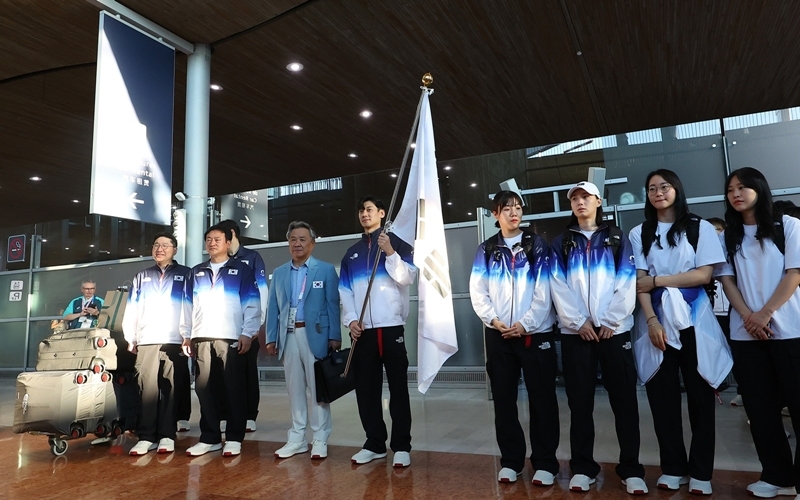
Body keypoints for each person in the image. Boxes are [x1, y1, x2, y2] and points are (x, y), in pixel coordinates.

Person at [629, 169, 731, 495]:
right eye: (652, 188)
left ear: (677, 190)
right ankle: (673, 467)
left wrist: (658, 281)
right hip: (657, 321)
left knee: (700, 397)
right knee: (662, 398)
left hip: (694, 319)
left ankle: (701, 472)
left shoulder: (699, 227)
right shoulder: (640, 232)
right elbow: (639, 283)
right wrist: (651, 321)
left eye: (665, 186)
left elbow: (703, 276)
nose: (658, 193)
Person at [549, 182, 647, 495]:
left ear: (598, 201)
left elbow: (627, 280)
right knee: (580, 403)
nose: (580, 202)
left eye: (586, 197)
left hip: (613, 332)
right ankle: (582, 468)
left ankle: (631, 469)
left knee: (625, 402)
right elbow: (557, 284)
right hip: (577, 334)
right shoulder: (562, 242)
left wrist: (611, 320)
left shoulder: (617, 237)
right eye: (575, 199)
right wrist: (578, 322)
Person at [716, 167, 800, 499]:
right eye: (730, 189)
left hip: (789, 330)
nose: (736, 194)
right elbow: (727, 280)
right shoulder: (728, 236)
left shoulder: (788, 225)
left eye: (743, 187)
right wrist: (748, 317)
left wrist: (765, 313)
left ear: (760, 189)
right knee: (760, 409)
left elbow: (794, 273)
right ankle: (777, 476)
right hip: (746, 334)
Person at [469, 189, 559, 486]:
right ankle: (511, 461)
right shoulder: (486, 249)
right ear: (495, 214)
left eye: (518, 207)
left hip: (534, 332)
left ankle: (545, 463)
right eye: (506, 208)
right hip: (498, 335)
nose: (514, 212)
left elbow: (545, 290)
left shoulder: (537, 245)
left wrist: (525, 324)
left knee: (542, 400)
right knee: (504, 400)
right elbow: (478, 291)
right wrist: (493, 320)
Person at [339, 196, 416, 468]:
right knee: (366, 390)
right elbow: (345, 291)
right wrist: (351, 320)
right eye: (361, 210)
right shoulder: (351, 253)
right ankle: (374, 443)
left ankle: (402, 446)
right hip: (364, 332)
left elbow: (407, 277)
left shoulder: (399, 244)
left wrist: (390, 252)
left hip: (391, 327)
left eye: (370, 209)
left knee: (398, 389)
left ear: (382, 213)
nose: (364, 214)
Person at [180, 224, 261, 457]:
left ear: (228, 243)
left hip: (230, 337)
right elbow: (187, 306)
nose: (212, 243)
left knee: (234, 388)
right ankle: (210, 438)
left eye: (217, 239)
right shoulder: (196, 272)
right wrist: (186, 334)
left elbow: (252, 303)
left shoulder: (242, 270)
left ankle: (234, 438)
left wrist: (248, 332)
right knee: (205, 389)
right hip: (202, 337)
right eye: (208, 239)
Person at [266, 221, 341, 460]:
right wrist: (270, 337)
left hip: (316, 335)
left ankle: (320, 438)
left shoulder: (325, 270)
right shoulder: (279, 273)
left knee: (318, 389)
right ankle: (297, 438)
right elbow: (273, 308)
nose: (297, 244)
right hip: (288, 336)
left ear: (312, 243)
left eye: (302, 239)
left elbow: (333, 304)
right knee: (295, 388)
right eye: (293, 239)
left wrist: (335, 335)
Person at [123, 232, 191, 456]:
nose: (159, 249)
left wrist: (188, 335)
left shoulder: (187, 274)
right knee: (146, 390)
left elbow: (191, 307)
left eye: (165, 245)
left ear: (175, 250)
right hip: (147, 340)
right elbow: (132, 308)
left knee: (171, 389)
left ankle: (167, 435)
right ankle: (146, 437)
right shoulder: (142, 276)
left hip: (175, 341)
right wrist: (131, 337)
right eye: (156, 245)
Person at [218, 219, 268, 432]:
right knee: (223, 374)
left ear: (231, 234)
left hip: (248, 329)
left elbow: (262, 292)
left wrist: (255, 326)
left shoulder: (252, 257)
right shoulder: (218, 260)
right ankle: (225, 414)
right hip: (224, 329)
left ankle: (249, 415)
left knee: (247, 373)